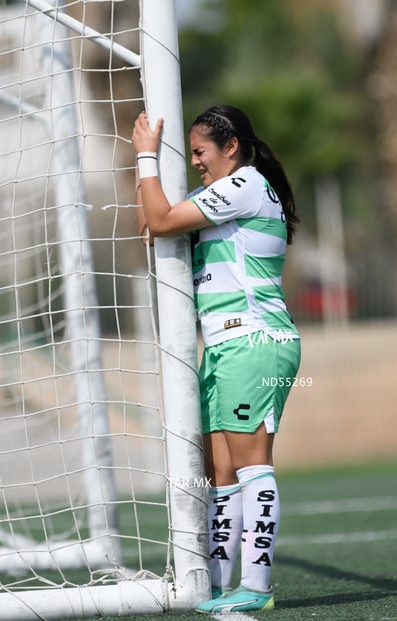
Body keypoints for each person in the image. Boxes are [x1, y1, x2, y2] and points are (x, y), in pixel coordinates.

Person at [132, 104, 301, 614]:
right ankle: (221, 583)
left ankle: (257, 585)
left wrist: (146, 156)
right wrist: (144, 166)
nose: (197, 163)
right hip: (225, 347)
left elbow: (160, 219)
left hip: (255, 341)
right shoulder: (221, 195)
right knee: (219, 472)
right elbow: (150, 222)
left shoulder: (245, 185)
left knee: (251, 465)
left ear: (231, 147)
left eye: (201, 152)